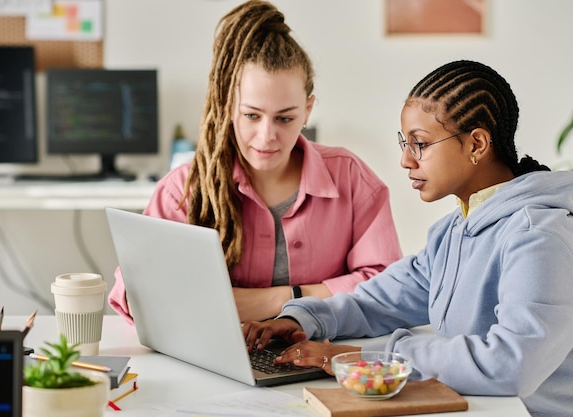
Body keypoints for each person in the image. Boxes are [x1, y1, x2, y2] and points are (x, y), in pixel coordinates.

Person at [243, 60, 573, 416]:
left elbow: (510, 363)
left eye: (420, 143)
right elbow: (381, 301)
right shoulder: (455, 231)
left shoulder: (540, 238)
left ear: (477, 144)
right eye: (405, 142)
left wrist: (365, 359)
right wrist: (301, 320)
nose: (405, 160)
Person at [108, 0, 401, 323]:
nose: (266, 136)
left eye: (285, 119)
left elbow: (387, 287)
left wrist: (280, 300)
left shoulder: (350, 177)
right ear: (228, 106)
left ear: (308, 110)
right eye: (251, 115)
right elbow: (138, 295)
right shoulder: (184, 188)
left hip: (321, 357)